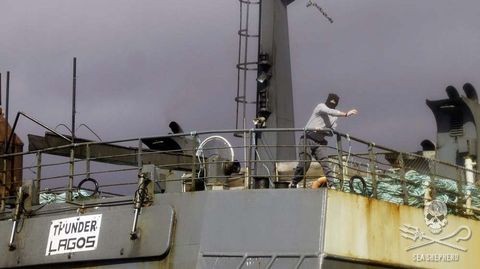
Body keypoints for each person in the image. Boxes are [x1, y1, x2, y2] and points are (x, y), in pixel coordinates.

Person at [290, 93, 358, 188]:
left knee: (326, 163)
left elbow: (331, 132)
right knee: (305, 163)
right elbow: (329, 111)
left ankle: (332, 185)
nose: (332, 103)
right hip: (307, 138)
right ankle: (293, 182)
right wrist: (346, 114)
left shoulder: (334, 117)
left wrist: (323, 131)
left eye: (334, 103)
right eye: (331, 101)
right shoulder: (320, 106)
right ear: (327, 100)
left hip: (319, 143)